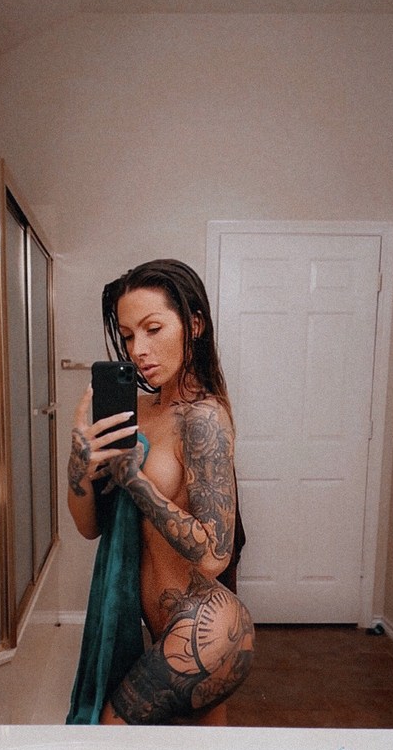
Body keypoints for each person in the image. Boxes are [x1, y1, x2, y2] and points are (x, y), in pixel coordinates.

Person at [67, 259, 254, 725]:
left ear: (194, 325)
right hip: (163, 625)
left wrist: (135, 480)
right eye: (129, 335)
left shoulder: (203, 417)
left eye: (153, 329)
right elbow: (89, 527)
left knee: (111, 730)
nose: (139, 350)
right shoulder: (138, 412)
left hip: (207, 628)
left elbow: (214, 555)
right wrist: (80, 464)